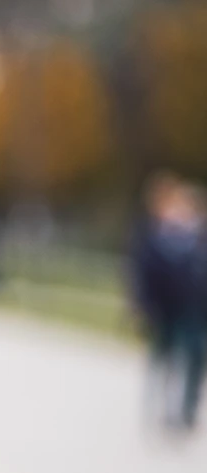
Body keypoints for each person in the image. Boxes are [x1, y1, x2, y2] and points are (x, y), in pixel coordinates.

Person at [130, 172, 207, 433]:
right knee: (164, 358)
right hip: (165, 308)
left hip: (193, 309)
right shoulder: (156, 236)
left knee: (195, 357)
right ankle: (164, 407)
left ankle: (185, 410)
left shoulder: (194, 237)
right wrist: (142, 304)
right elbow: (143, 272)